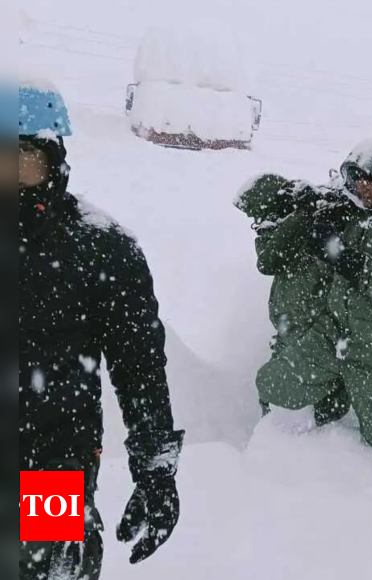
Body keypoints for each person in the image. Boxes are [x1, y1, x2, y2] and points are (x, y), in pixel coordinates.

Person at [19, 84, 184, 579]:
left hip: (54, 462)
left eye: (23, 156)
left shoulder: (100, 247)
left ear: (54, 159)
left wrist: (155, 468)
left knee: (50, 569)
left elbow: (139, 368)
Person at [251, 140, 372, 469]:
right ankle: (289, 457)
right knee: (275, 383)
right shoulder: (351, 213)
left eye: (368, 180)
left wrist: (343, 255)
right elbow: (276, 256)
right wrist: (311, 217)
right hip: (332, 335)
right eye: (355, 179)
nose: (360, 188)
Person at [235, 175, 354, 427]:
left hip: (320, 344)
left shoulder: (308, 237)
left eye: (261, 217)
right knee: (271, 392)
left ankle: (327, 438)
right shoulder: (288, 241)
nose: (258, 225)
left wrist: (303, 215)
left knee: (273, 385)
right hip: (296, 339)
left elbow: (269, 262)